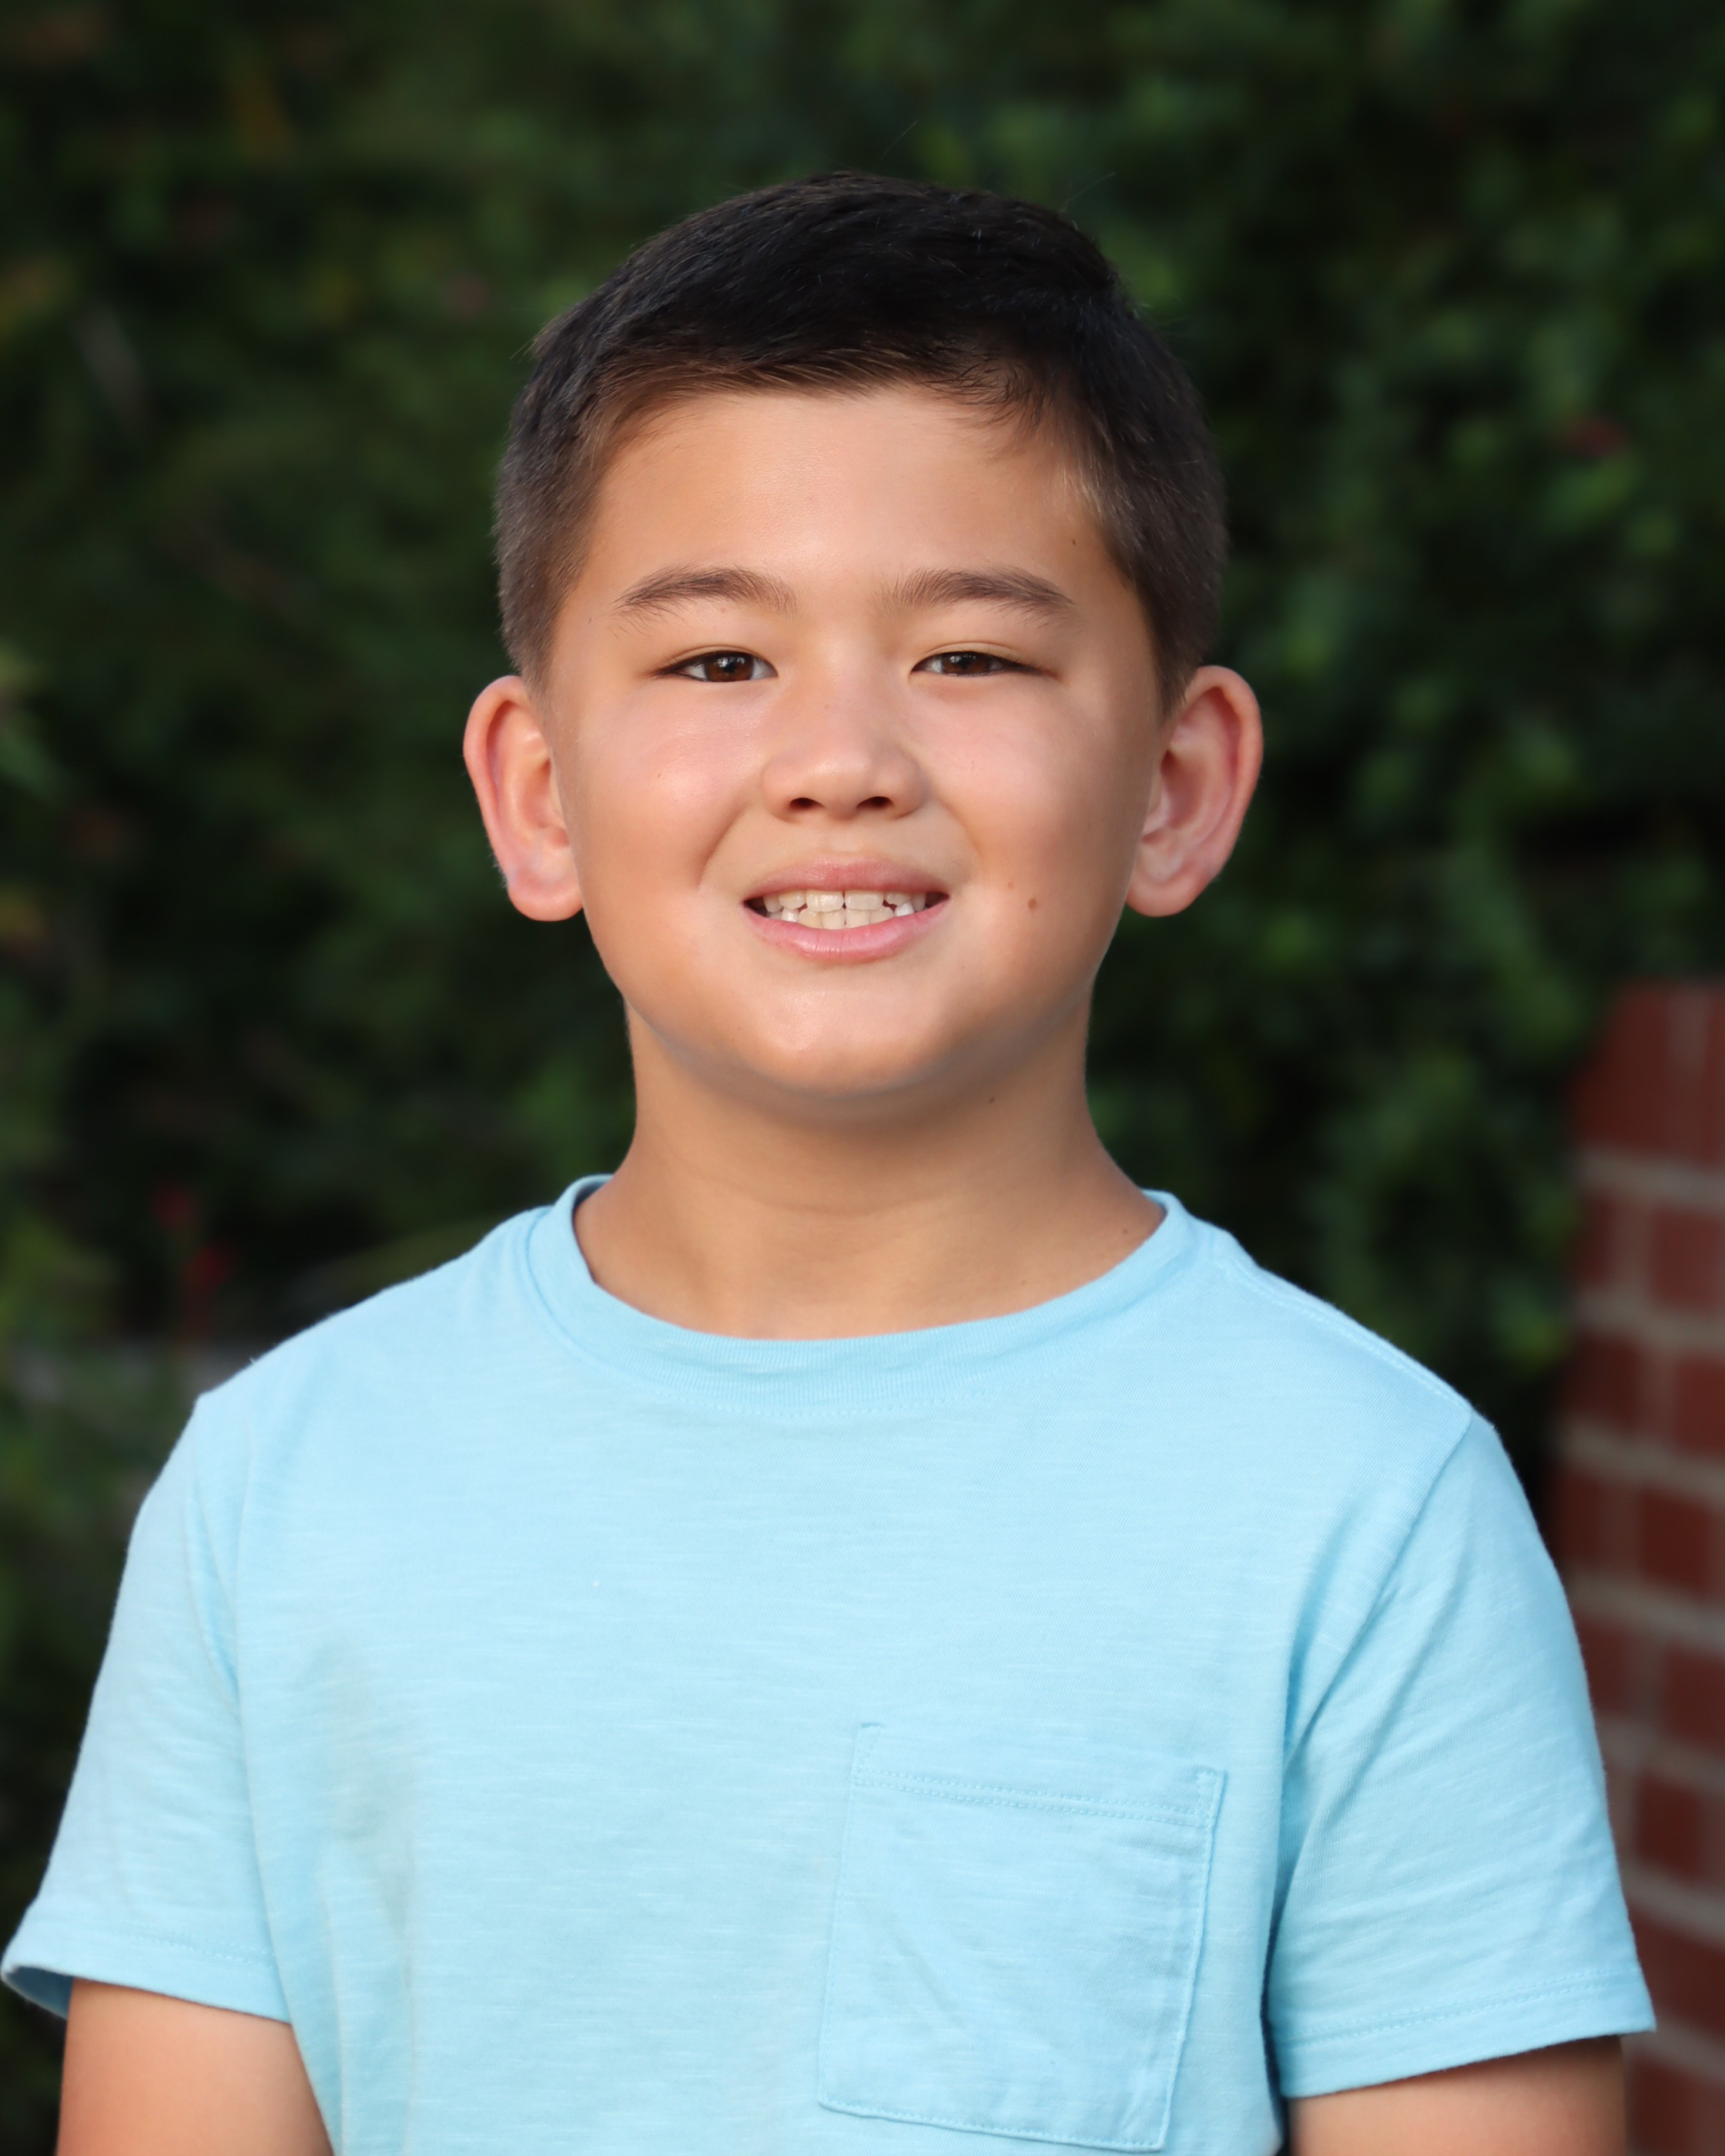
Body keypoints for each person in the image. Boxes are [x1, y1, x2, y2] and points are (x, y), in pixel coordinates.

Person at [8, 175, 1650, 2156]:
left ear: (1175, 785)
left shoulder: (1362, 1513)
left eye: (970, 657)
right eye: (718, 662)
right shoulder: (284, 1490)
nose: (842, 757)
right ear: (538, 795)